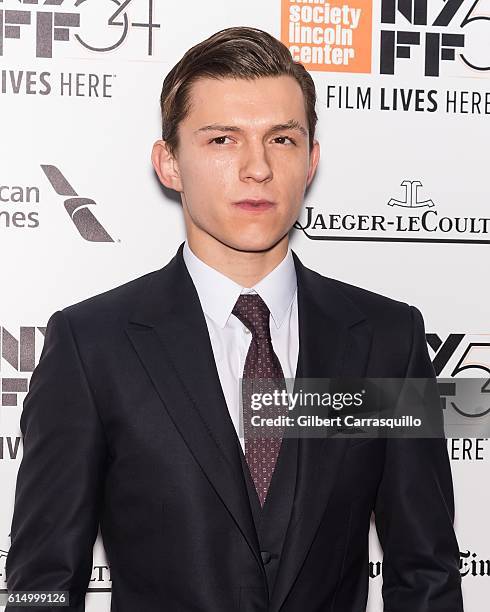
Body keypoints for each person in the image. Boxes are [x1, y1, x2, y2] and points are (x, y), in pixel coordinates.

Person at [6, 26, 463, 612]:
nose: (257, 168)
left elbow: (426, 571)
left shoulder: (386, 341)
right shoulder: (92, 346)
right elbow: (41, 583)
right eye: (222, 139)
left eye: (282, 139)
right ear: (169, 163)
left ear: (312, 160)